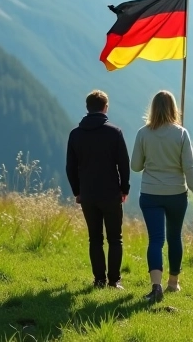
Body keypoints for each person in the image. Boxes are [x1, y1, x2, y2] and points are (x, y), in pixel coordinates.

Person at [131, 90, 193, 302]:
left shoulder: (142, 133)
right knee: (174, 237)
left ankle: (156, 287)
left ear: (153, 108)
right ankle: (173, 283)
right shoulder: (181, 134)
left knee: (155, 240)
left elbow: (135, 166)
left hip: (150, 194)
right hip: (176, 194)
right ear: (174, 108)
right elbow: (189, 168)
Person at [65, 90, 130, 289]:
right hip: (111, 193)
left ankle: (99, 280)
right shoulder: (114, 132)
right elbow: (123, 164)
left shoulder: (75, 134)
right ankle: (114, 281)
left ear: (87, 108)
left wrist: (77, 191)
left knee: (95, 238)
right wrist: (124, 188)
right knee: (115, 239)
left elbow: (70, 167)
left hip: (88, 194)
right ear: (105, 107)